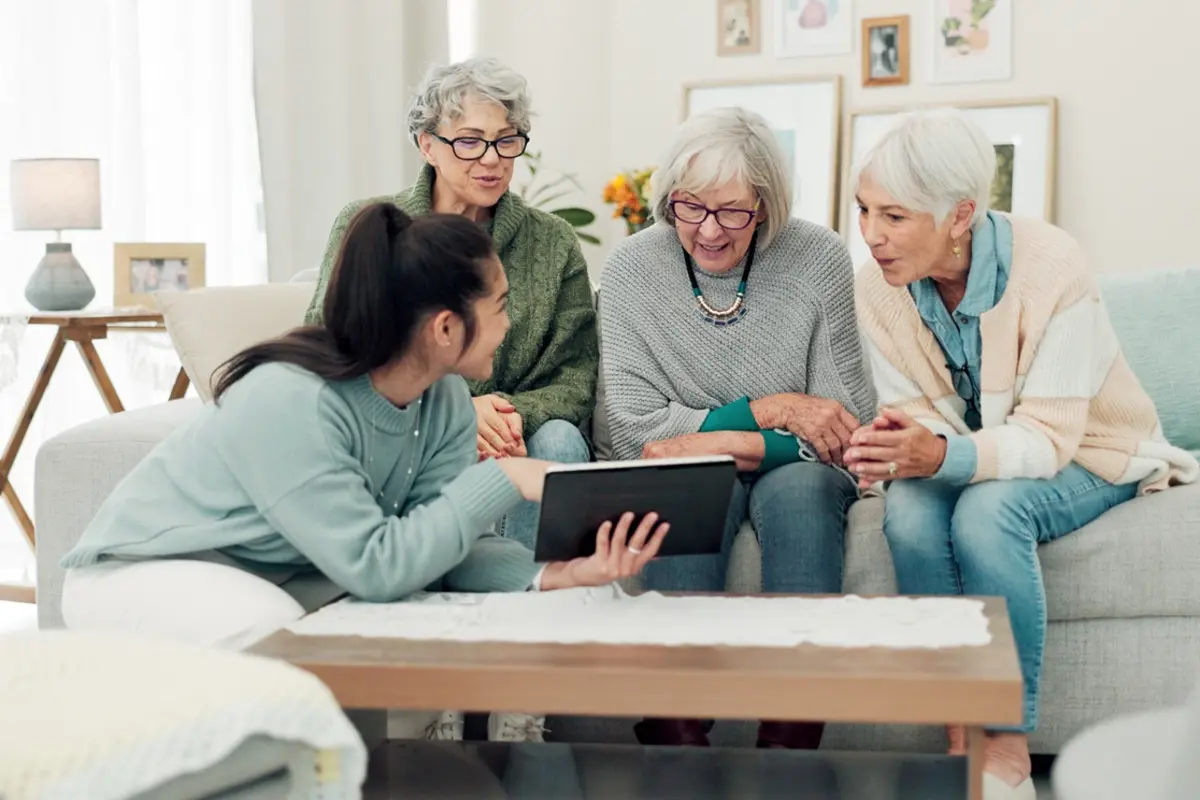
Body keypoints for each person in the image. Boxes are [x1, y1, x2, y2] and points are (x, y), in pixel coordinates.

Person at [60, 204, 668, 740]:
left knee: (387, 647)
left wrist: (558, 573)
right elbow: (377, 567)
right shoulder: (291, 400)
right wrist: (506, 478)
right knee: (298, 651)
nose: (509, 325)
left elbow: (445, 548)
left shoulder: (444, 398)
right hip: (150, 572)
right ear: (446, 328)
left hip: (281, 575)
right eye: (501, 306)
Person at [845, 108, 1199, 800]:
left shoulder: (1052, 265)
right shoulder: (876, 288)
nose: (871, 235)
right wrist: (892, 446)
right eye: (863, 210)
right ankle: (960, 727)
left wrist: (940, 453)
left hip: (1089, 448)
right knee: (910, 515)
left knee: (987, 514)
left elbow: (1048, 438)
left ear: (960, 215)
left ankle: (1004, 735)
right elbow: (913, 412)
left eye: (894, 216)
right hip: (968, 454)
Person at [599, 106, 876, 750]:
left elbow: (843, 423)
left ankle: (788, 741)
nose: (709, 231)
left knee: (803, 493)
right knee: (692, 483)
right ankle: (676, 737)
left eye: (733, 212)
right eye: (690, 208)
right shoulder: (631, 272)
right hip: (710, 462)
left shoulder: (817, 259)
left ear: (766, 204)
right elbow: (634, 427)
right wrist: (771, 410)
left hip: (798, 470)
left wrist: (718, 439)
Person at [304, 56, 596, 555]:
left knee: (562, 441)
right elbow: (329, 348)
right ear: (427, 146)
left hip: (515, 434)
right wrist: (457, 411)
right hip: (403, 427)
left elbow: (576, 375)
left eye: (507, 139)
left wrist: (504, 418)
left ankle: (529, 608)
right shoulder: (372, 226)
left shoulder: (554, 242)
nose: (492, 159)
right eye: (469, 141)